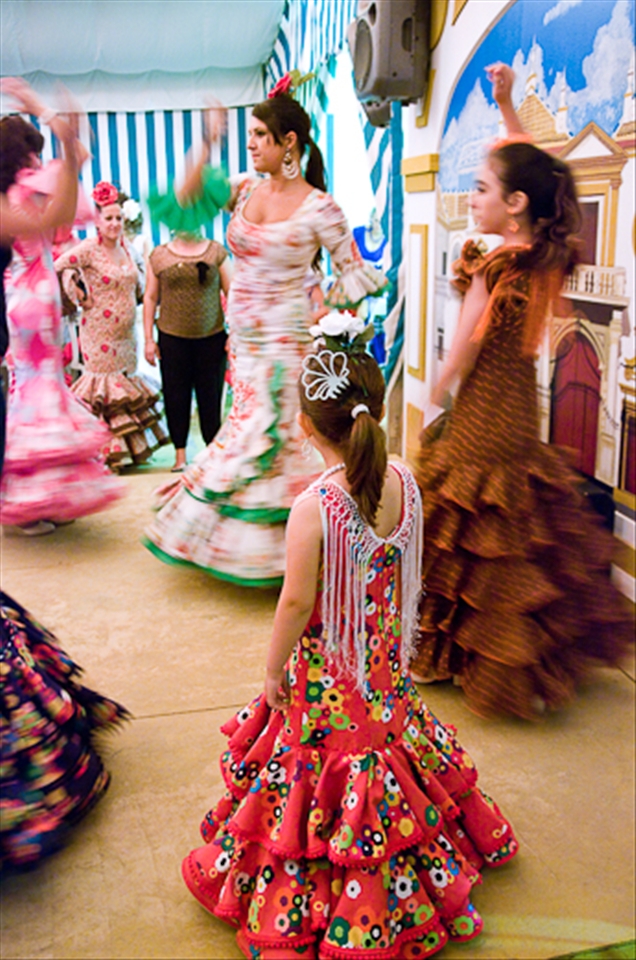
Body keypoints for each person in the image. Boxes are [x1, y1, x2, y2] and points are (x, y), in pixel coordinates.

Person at [181, 318, 518, 959]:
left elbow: (298, 600)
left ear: (306, 426)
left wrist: (272, 669)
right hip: (385, 669)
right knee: (385, 748)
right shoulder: (404, 481)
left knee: (318, 766)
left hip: (328, 678)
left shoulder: (315, 507)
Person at [410, 64, 633, 719]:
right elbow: (534, 168)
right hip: (517, 414)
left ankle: (460, 654)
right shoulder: (538, 249)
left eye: (480, 189)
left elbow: (467, 344)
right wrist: (507, 106)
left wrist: (434, 396)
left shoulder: (494, 260)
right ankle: (512, 650)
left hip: (482, 411)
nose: (472, 196)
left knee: (469, 528)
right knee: (509, 529)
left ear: (513, 204)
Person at [144, 81, 387, 586]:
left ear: (289, 142)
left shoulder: (321, 207)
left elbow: (354, 274)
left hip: (288, 344)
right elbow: (184, 198)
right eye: (249, 135)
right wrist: (209, 141)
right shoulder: (244, 188)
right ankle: (252, 547)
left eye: (260, 135)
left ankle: (295, 552)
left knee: (274, 436)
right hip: (245, 344)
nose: (251, 143)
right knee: (243, 427)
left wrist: (324, 308)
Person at [0, 80, 128, 870]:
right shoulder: (17, 208)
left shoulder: (29, 207)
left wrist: (69, 148)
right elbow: (49, 215)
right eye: (37, 157)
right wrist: (66, 141)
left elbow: (55, 215)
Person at [0, 79, 124, 532]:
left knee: (37, 388)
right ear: (20, 158)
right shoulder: (21, 191)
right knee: (37, 390)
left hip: (32, 299)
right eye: (32, 151)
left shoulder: (21, 190)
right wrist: (46, 113)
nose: (38, 159)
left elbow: (70, 180)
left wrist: (52, 124)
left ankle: (46, 495)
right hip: (31, 302)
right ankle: (35, 498)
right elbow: (70, 181)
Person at [54, 181, 168, 469]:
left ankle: (125, 452)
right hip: (98, 332)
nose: (115, 223)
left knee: (123, 389)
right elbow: (59, 266)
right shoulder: (89, 249)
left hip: (126, 335)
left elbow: (140, 285)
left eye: (119, 218)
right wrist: (78, 292)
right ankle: (99, 454)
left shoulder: (128, 248)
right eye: (109, 218)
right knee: (103, 391)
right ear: (97, 221)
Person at [143, 231, 231, 472]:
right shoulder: (159, 255)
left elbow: (232, 292)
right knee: (175, 396)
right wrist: (149, 339)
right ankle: (180, 455)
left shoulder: (216, 251)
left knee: (210, 397)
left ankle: (212, 451)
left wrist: (234, 332)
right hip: (172, 338)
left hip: (211, 337)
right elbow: (150, 297)